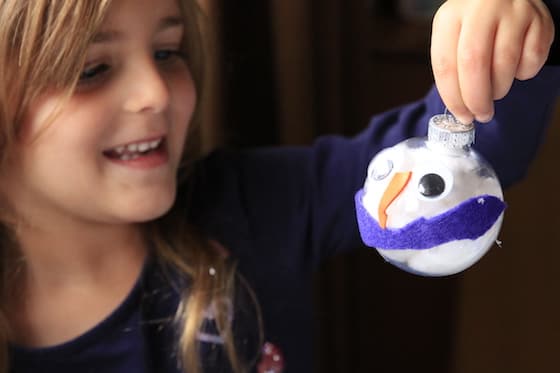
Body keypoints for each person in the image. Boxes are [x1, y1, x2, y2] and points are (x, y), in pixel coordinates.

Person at [0, 0, 557, 372]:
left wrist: (501, 30)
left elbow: (473, 158)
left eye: (167, 52)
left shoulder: (248, 203)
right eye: (91, 70)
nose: (156, 92)